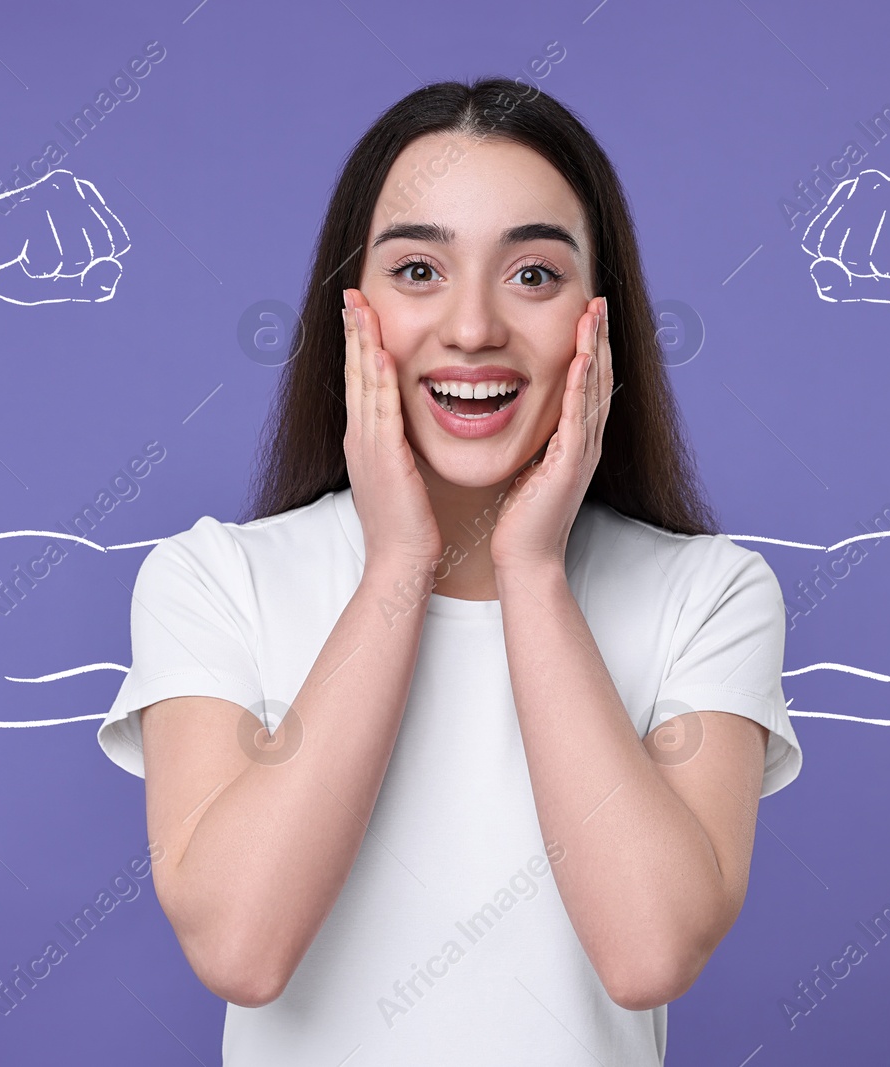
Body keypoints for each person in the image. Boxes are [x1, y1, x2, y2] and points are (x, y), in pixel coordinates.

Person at [96, 77, 801, 1065]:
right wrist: (398, 564)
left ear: (598, 319)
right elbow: (241, 947)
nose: (472, 328)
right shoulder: (215, 581)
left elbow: (647, 951)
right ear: (353, 309)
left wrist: (532, 571)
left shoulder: (709, 594)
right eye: (419, 269)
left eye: (534, 275)